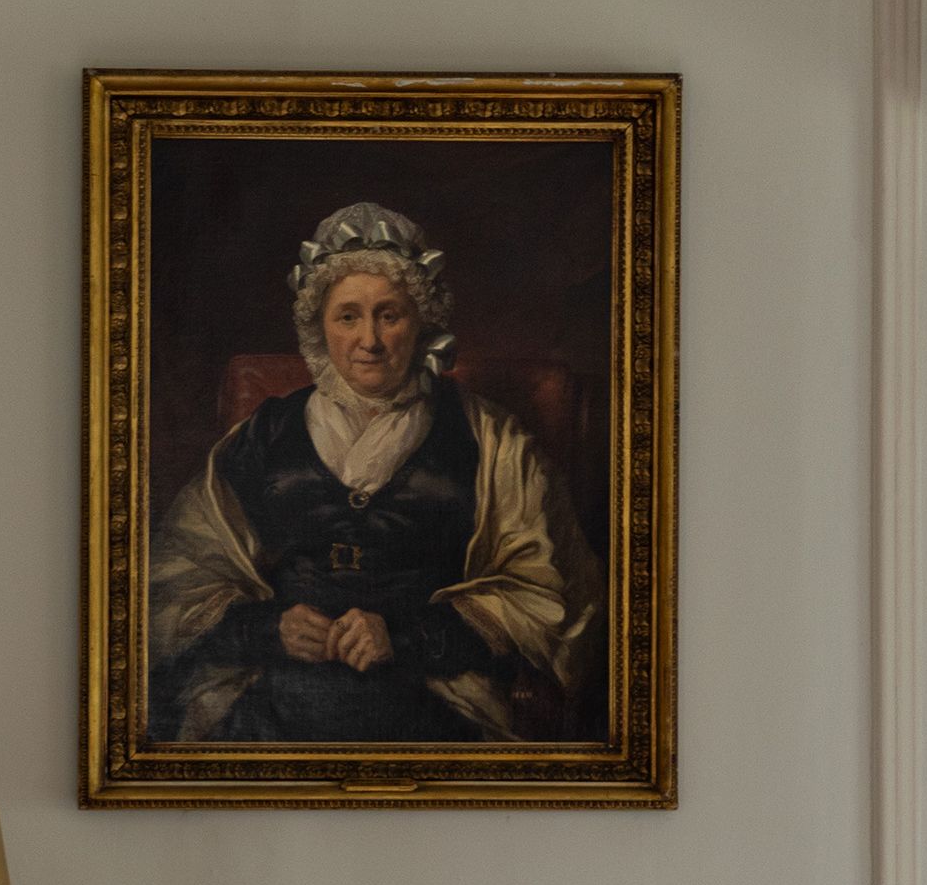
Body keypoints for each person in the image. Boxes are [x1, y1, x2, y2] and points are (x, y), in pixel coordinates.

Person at [148, 202, 604, 745]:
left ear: (423, 321)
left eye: (389, 315)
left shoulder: (491, 440)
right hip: (269, 693)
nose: (370, 339)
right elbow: (179, 580)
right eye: (348, 316)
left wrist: (405, 639)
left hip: (435, 696)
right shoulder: (263, 435)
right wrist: (272, 628)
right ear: (320, 325)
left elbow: (547, 593)